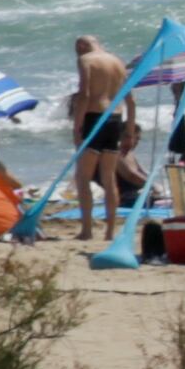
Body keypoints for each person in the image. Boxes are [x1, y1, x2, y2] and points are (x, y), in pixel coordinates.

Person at [64, 34, 134, 241]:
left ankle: (87, 230)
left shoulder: (86, 60)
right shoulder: (117, 62)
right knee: (109, 177)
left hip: (94, 118)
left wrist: (77, 127)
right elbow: (131, 101)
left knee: (83, 177)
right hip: (115, 118)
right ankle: (110, 231)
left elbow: (84, 94)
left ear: (82, 45)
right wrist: (129, 131)